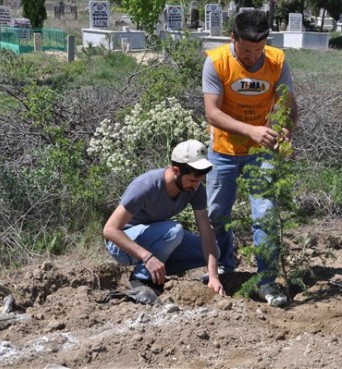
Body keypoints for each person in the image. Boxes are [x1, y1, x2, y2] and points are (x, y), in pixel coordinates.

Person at [202, 10, 298, 307]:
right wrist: (251, 130)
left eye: (258, 49)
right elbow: (212, 112)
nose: (251, 56)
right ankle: (224, 266)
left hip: (261, 152)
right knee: (217, 212)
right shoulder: (216, 61)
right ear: (233, 39)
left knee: (266, 214)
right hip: (224, 150)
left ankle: (266, 280)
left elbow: (289, 109)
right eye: (245, 50)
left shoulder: (277, 61)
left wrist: (283, 131)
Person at [103, 140, 225, 299]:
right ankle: (141, 280)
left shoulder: (195, 189)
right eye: (193, 180)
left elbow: (206, 231)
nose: (196, 187)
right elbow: (110, 230)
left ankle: (156, 273)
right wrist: (147, 257)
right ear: (176, 170)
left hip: (155, 238)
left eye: (200, 181)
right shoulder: (146, 186)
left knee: (215, 251)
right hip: (122, 245)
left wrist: (213, 276)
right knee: (174, 231)